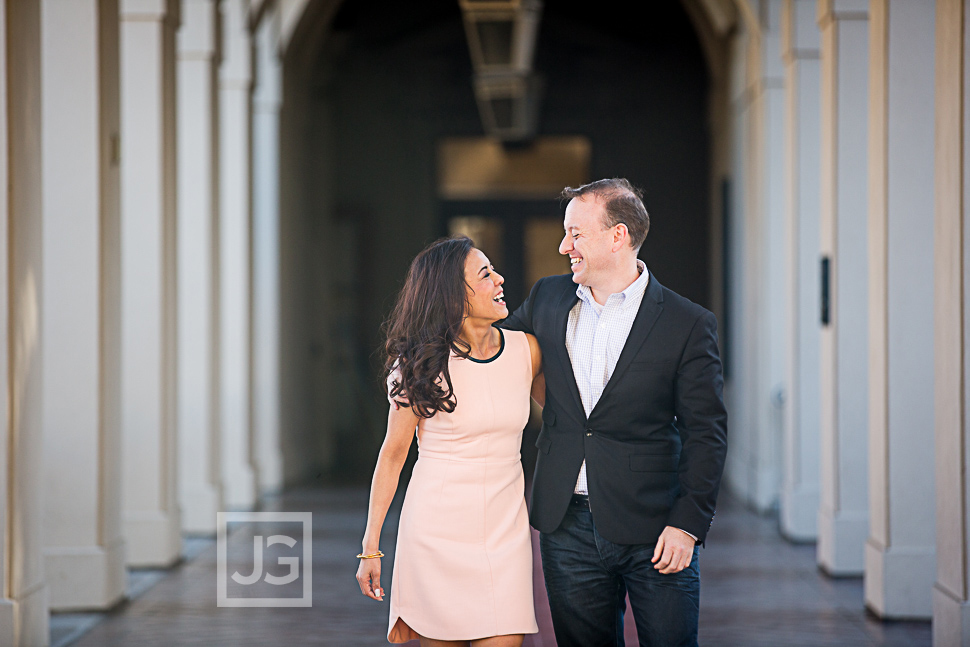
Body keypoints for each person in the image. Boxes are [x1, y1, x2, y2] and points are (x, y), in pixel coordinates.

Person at [501, 178, 728, 647]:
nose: (565, 246)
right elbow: (496, 354)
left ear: (617, 236)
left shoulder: (688, 323)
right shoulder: (546, 298)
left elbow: (707, 433)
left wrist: (688, 524)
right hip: (565, 524)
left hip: (656, 528)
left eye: (576, 234)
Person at [356, 235, 543, 647]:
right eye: (486, 274)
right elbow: (393, 456)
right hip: (434, 537)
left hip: (505, 536)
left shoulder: (527, 351)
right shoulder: (419, 366)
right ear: (453, 295)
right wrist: (371, 546)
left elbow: (572, 422)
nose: (500, 279)